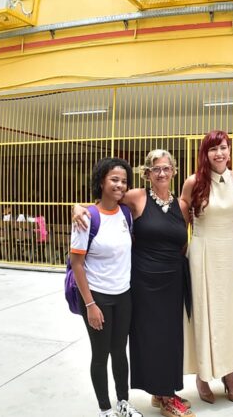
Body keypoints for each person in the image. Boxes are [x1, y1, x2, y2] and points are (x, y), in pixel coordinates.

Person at [74, 150, 194, 417]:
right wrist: (78, 207)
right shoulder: (137, 197)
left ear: (174, 171)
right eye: (155, 169)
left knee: (171, 338)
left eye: (166, 168)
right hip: (144, 281)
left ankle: (161, 391)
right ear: (147, 173)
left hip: (173, 280)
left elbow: (181, 241)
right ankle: (164, 396)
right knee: (150, 338)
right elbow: (106, 201)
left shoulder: (183, 205)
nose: (161, 173)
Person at [181, 131, 233, 405]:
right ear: (205, 153)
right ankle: (203, 376)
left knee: (232, 314)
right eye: (213, 149)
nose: (219, 153)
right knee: (205, 313)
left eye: (223, 147)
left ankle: (230, 376)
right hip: (203, 253)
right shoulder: (193, 182)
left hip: (231, 252)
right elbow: (181, 222)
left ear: (229, 150)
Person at [69, 157, 143, 417]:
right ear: (101, 181)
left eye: (124, 181)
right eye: (114, 179)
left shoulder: (125, 213)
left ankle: (123, 403)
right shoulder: (86, 218)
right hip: (97, 296)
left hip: (123, 294)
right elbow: (77, 264)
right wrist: (90, 304)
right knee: (100, 355)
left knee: (120, 352)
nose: (120, 185)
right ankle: (105, 409)